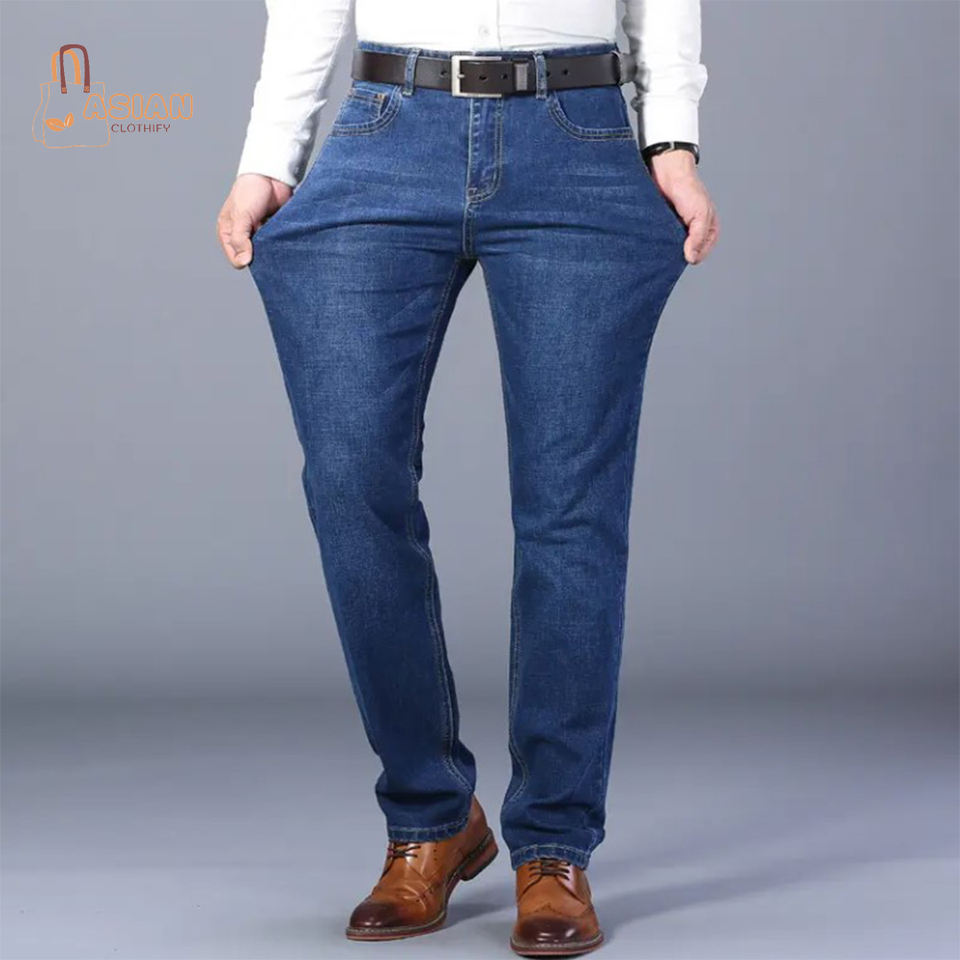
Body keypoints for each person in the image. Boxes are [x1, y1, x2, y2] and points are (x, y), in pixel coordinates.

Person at [217, 1, 718, 954]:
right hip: (387, 127)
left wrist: (673, 142)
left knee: (572, 509)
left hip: (578, 132)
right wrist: (268, 158)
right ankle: (431, 815)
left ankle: (555, 845)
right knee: (350, 478)